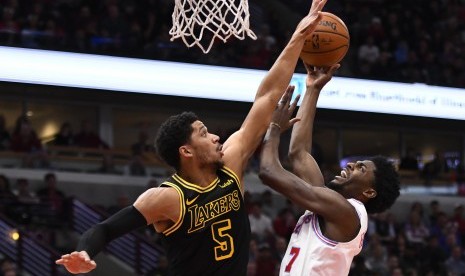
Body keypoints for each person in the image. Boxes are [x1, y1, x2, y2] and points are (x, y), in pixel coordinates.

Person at [55, 1, 329, 274]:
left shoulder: (231, 164)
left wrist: (297, 37)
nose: (216, 137)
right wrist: (84, 250)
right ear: (186, 151)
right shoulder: (168, 198)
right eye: (203, 133)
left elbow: (267, 97)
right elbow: (106, 228)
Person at [258, 64, 400, 275]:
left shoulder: (347, 212)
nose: (351, 165)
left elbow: (268, 172)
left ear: (369, 192)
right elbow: (298, 154)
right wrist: (313, 89)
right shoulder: (329, 205)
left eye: (361, 169)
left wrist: (274, 129)